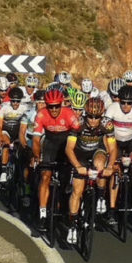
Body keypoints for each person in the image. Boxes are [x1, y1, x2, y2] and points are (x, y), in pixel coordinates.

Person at [65, 98, 114, 245]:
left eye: (97, 117)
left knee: (101, 163)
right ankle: (72, 225)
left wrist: (110, 167)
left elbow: (112, 148)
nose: (93, 120)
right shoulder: (77, 123)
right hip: (79, 155)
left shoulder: (107, 124)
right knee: (77, 191)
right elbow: (69, 148)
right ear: (86, 114)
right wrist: (77, 166)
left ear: (102, 115)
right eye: (90, 116)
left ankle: (100, 196)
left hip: (96, 152)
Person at [32, 88, 81, 222]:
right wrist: (37, 157)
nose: (53, 109)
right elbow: (36, 140)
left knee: (66, 180)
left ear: (61, 104)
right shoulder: (41, 114)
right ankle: (42, 212)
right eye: (50, 106)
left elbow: (79, 135)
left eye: (56, 106)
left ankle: (65, 205)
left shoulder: (69, 114)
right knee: (45, 176)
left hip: (65, 145)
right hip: (50, 144)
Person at [105, 84, 132, 209]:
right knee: (115, 169)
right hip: (115, 140)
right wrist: (109, 149)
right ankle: (112, 208)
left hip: (131, 140)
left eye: (129, 103)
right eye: (122, 102)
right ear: (118, 100)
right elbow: (104, 129)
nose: (125, 106)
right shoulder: (112, 108)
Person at [0, 86, 31, 185]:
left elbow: (25, 126)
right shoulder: (4, 107)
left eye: (17, 101)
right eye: (13, 101)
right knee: (6, 145)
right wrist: (0, 138)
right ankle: (3, 172)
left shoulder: (24, 108)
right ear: (10, 100)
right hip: (6, 130)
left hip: (17, 130)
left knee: (22, 148)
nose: (15, 103)